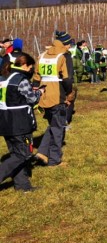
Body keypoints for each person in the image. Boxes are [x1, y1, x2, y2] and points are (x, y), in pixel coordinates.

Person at [0, 53, 43, 192]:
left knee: (15, 155)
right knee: (24, 154)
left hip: (5, 121)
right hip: (20, 123)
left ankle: (22, 185)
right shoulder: (21, 79)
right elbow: (32, 99)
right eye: (31, 67)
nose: (31, 70)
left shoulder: (3, 77)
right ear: (25, 65)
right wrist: (40, 92)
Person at [33, 31, 74, 167]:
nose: (69, 47)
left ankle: (42, 151)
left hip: (44, 96)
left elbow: (36, 78)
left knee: (53, 124)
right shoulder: (64, 57)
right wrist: (69, 94)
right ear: (65, 44)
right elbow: (67, 80)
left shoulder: (42, 56)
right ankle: (54, 160)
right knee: (58, 129)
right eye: (69, 44)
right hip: (58, 96)